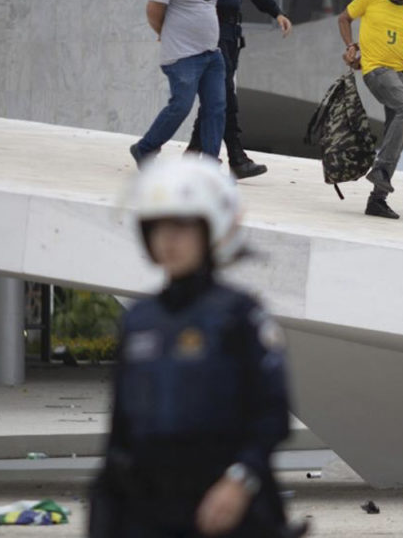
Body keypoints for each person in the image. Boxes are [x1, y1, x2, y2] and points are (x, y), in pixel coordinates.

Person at [89, 158, 306, 538]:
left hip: (228, 509)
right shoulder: (139, 320)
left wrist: (239, 481)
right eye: (158, 227)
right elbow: (119, 436)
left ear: (211, 228)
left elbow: (271, 417)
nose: (167, 239)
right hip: (149, 510)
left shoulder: (241, 315)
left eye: (181, 226)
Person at [186, 0, 294, 180]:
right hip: (211, 28)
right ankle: (236, 156)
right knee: (223, 94)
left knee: (217, 94)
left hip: (233, 31)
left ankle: (193, 153)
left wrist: (276, 12)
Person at [131, 0, 226, 167]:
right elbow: (154, 9)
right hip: (183, 56)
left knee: (215, 107)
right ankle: (145, 148)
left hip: (212, 55)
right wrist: (165, 32)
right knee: (181, 106)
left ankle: (209, 162)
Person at [337, 0, 403, 220]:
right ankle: (380, 170)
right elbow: (344, 18)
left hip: (401, 72)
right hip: (375, 69)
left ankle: (377, 199)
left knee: (393, 131)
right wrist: (352, 46)